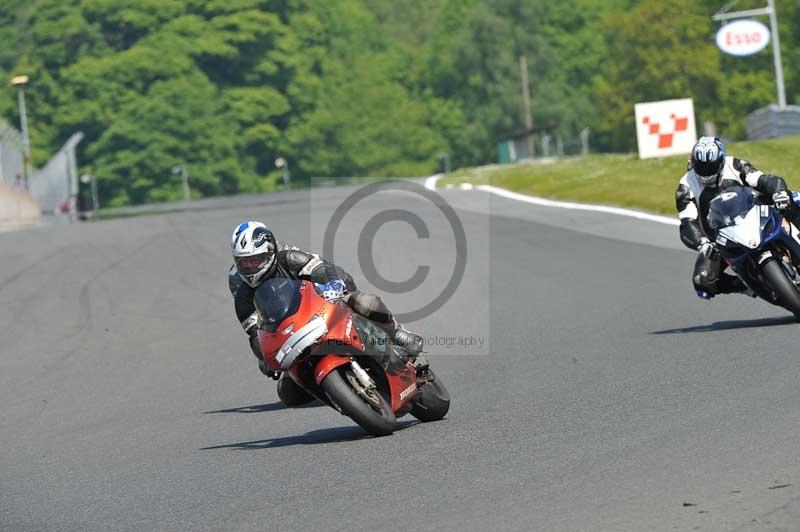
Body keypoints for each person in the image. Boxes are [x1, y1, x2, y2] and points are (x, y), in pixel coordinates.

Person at [228, 221, 426, 405]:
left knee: (361, 300)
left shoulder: (289, 257)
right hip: (291, 333)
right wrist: (265, 356)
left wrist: (333, 284)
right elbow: (254, 333)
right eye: (244, 262)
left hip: (321, 304)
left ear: (270, 252)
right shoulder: (241, 292)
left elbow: (324, 268)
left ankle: (396, 332)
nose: (250, 267)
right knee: (289, 395)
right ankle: (337, 390)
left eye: (255, 260)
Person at [675, 136, 800, 299]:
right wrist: (702, 243)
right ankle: (745, 285)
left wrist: (779, 193)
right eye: (701, 167)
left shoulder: (734, 164)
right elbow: (687, 222)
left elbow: (763, 180)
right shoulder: (686, 186)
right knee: (702, 282)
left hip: (754, 216)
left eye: (711, 167)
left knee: (794, 200)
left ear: (720, 161)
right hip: (722, 240)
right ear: (693, 162)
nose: (706, 173)